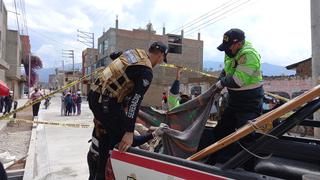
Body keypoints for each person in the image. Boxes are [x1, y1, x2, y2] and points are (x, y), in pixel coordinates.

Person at [87, 41, 168, 179]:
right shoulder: (146, 72)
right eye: (162, 59)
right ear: (160, 55)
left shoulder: (135, 52)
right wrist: (130, 131)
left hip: (95, 97)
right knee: (126, 139)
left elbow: (116, 57)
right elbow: (135, 101)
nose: (160, 62)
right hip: (106, 104)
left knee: (107, 139)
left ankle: (100, 173)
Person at [212, 28, 264, 163]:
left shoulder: (249, 55)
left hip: (249, 101)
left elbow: (237, 81)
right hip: (234, 100)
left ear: (238, 44)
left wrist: (221, 83)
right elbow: (227, 69)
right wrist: (218, 82)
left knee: (245, 135)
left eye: (229, 47)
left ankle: (249, 169)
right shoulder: (230, 51)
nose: (227, 51)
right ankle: (216, 161)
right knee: (221, 131)